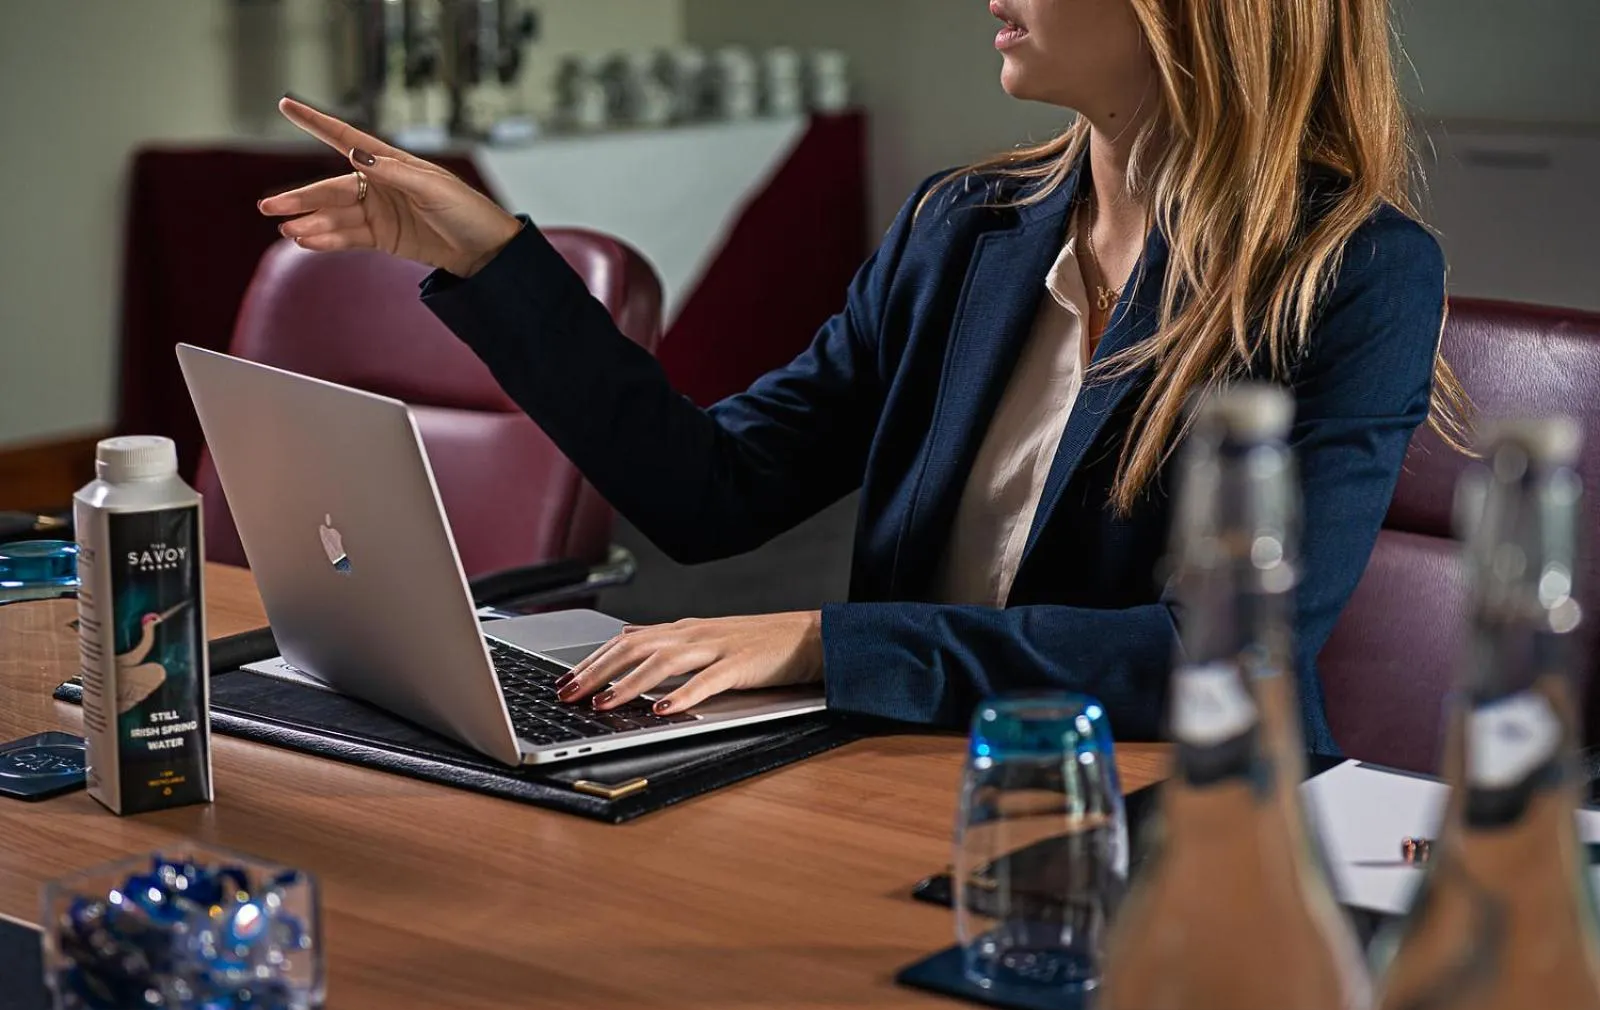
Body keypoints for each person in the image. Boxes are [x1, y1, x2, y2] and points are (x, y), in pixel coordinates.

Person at [258, 0, 1466, 755]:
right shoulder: (965, 227)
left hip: (1178, 810)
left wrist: (822, 645)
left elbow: (1225, 653)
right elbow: (710, 491)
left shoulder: (1357, 275)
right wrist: (484, 254)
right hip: (904, 765)